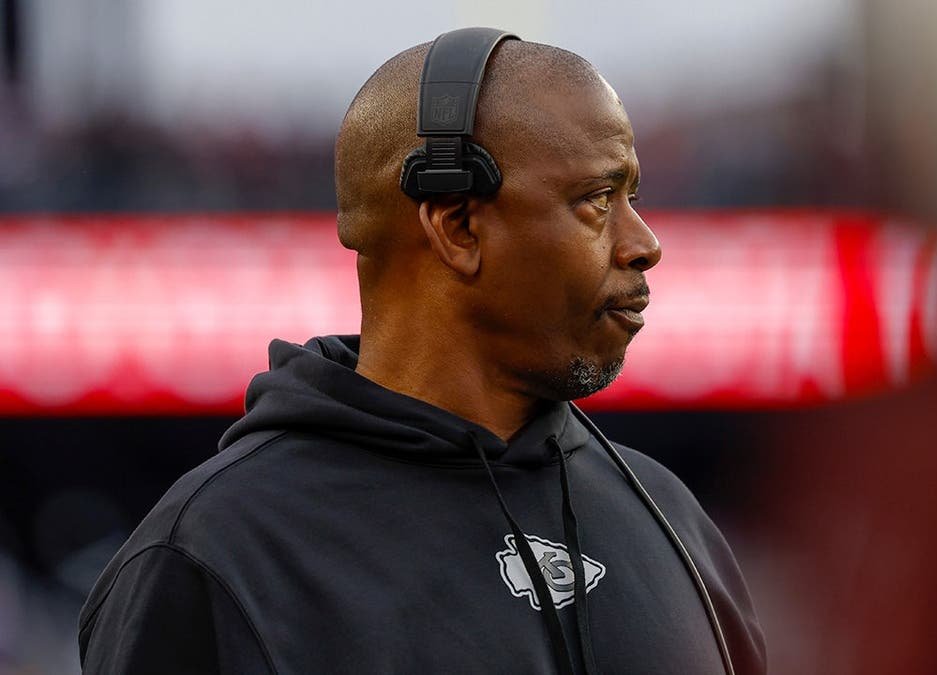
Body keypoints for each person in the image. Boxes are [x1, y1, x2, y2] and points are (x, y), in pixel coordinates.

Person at [78, 29, 765, 674]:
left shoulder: (669, 517)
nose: (644, 241)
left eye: (633, 195)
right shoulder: (215, 553)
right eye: (596, 199)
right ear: (457, 225)